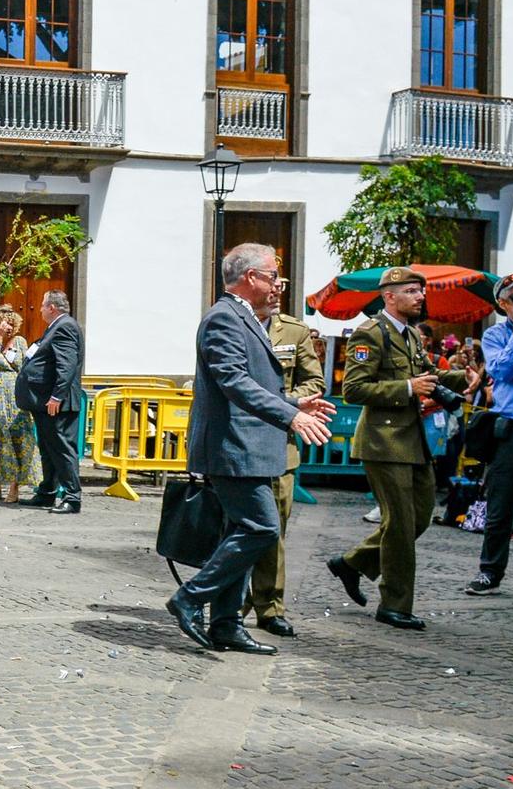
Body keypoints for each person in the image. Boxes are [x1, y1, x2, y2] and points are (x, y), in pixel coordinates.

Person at [168, 243, 333, 655]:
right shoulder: (224, 318)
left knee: (238, 530)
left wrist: (294, 403)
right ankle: (190, 597)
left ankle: (225, 624)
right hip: (233, 447)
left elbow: (257, 382)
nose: (278, 283)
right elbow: (235, 382)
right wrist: (291, 417)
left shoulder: (248, 318)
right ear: (250, 278)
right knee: (261, 528)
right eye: (273, 274)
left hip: (249, 446)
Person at [326, 268, 471, 631]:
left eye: (421, 291)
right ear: (389, 296)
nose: (420, 297)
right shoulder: (370, 333)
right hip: (384, 440)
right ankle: (394, 603)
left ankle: (352, 562)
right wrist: (407, 387)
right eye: (411, 291)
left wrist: (465, 378)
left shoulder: (409, 336)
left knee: (420, 517)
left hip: (412, 440)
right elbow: (354, 390)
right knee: (402, 525)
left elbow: (427, 375)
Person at [245, 302, 324, 638]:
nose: (276, 290)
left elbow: (313, 382)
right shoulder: (233, 324)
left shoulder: (294, 331)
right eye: (271, 281)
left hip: (280, 442)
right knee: (235, 527)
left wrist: (281, 401)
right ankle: (230, 601)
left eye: (280, 284)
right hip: (241, 439)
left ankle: (269, 607)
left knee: (274, 530)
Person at [464, 279, 513, 596]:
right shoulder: (496, 334)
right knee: (500, 508)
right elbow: (501, 370)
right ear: (502, 304)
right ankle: (490, 572)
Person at [15, 289, 84, 512]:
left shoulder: (65, 326)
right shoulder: (55, 327)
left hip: (57, 402)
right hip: (45, 401)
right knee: (48, 448)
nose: (41, 309)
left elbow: (67, 364)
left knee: (62, 448)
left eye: (43, 305)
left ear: (52, 307)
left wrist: (56, 396)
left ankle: (73, 497)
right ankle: (47, 492)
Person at [0, 305, 40, 503]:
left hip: (15, 398)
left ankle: (15, 486)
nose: (9, 328)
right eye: (5, 324)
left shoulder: (21, 342)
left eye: (12, 324)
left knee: (17, 440)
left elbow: (26, 366)